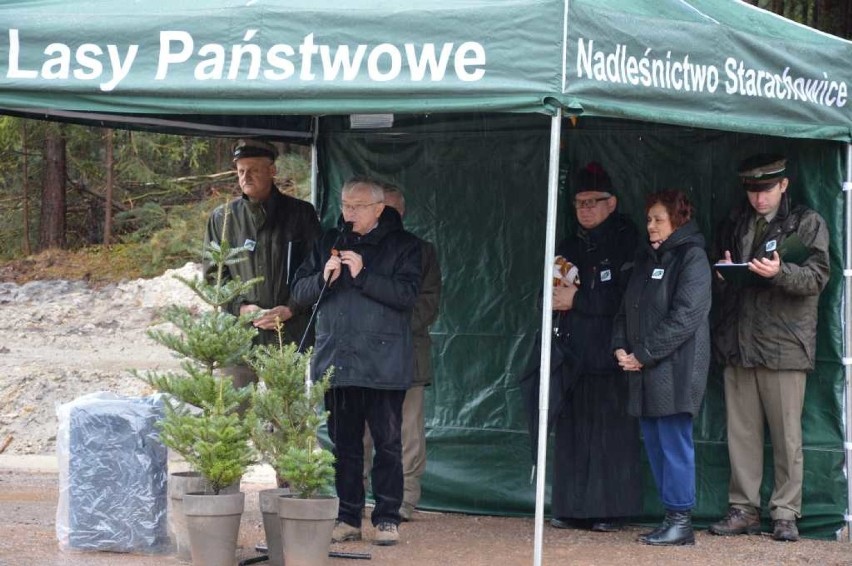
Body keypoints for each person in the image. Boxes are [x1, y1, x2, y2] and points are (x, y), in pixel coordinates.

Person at [291, 176, 422, 546]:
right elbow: (298, 293)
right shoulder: (326, 242)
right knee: (343, 445)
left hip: (384, 363)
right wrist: (322, 278)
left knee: (388, 444)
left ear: (379, 209)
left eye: (357, 206)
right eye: (345, 204)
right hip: (337, 360)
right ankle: (348, 517)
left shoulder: (405, 246)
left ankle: (386, 518)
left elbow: (407, 295)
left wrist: (363, 274)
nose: (348, 213)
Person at [708, 154, 830, 542]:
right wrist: (725, 273)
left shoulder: (806, 222)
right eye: (752, 191)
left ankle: (785, 513)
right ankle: (743, 508)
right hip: (740, 341)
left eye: (766, 190)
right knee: (741, 433)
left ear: (783, 185)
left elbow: (818, 276)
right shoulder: (735, 222)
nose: (759, 199)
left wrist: (781, 273)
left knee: (786, 436)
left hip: (783, 344)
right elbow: (721, 278)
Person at [612, 189, 712, 546]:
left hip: (676, 370)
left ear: (677, 220)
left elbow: (685, 318)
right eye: (649, 219)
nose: (650, 225)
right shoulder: (646, 258)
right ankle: (671, 518)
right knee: (656, 444)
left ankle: (681, 522)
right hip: (645, 369)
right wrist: (621, 347)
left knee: (674, 443)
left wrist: (643, 354)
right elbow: (627, 309)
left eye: (658, 219)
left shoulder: (692, 258)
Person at [548, 162, 643, 532]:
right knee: (573, 433)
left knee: (610, 435)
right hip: (573, 355)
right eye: (578, 203)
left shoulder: (626, 240)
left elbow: (626, 299)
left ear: (612, 202)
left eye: (592, 201)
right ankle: (571, 507)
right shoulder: (570, 243)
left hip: (611, 353)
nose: (585, 209)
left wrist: (579, 299)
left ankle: (610, 510)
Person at [203, 138, 321, 386]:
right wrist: (241, 308)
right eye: (241, 171)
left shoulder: (300, 214)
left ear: (272, 171)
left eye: (253, 170)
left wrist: (291, 308)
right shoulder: (223, 218)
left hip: (288, 332)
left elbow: (316, 270)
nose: (245, 177)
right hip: (239, 335)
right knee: (235, 414)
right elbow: (214, 276)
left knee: (286, 416)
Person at [363, 183, 442, 522]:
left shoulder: (421, 251)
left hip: (407, 353)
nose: (386, 217)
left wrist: (384, 325)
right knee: (361, 429)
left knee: (407, 428)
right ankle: (359, 495)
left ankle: (405, 497)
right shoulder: (357, 248)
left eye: (391, 210)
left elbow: (427, 304)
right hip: (365, 357)